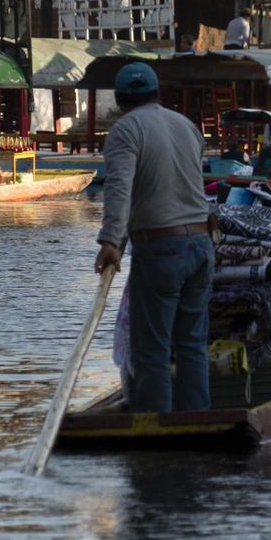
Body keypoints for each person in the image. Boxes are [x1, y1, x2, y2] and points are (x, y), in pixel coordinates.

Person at [94, 62, 213, 414]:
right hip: (202, 245)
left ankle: (155, 429)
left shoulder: (125, 131)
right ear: (156, 93)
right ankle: (195, 423)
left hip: (162, 248)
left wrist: (110, 241)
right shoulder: (186, 125)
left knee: (152, 347)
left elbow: (119, 189)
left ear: (118, 99)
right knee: (192, 344)